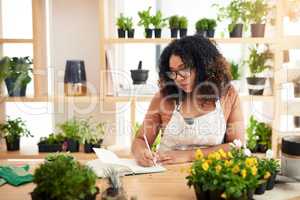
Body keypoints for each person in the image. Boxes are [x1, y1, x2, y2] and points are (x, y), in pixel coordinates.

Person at [132, 35, 244, 166]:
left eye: (184, 69)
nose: (178, 78)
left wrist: (188, 155)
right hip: (165, 175)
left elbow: (237, 147)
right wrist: (142, 153)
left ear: (204, 66)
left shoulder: (228, 95)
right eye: (173, 72)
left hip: (210, 176)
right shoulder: (163, 97)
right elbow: (140, 139)